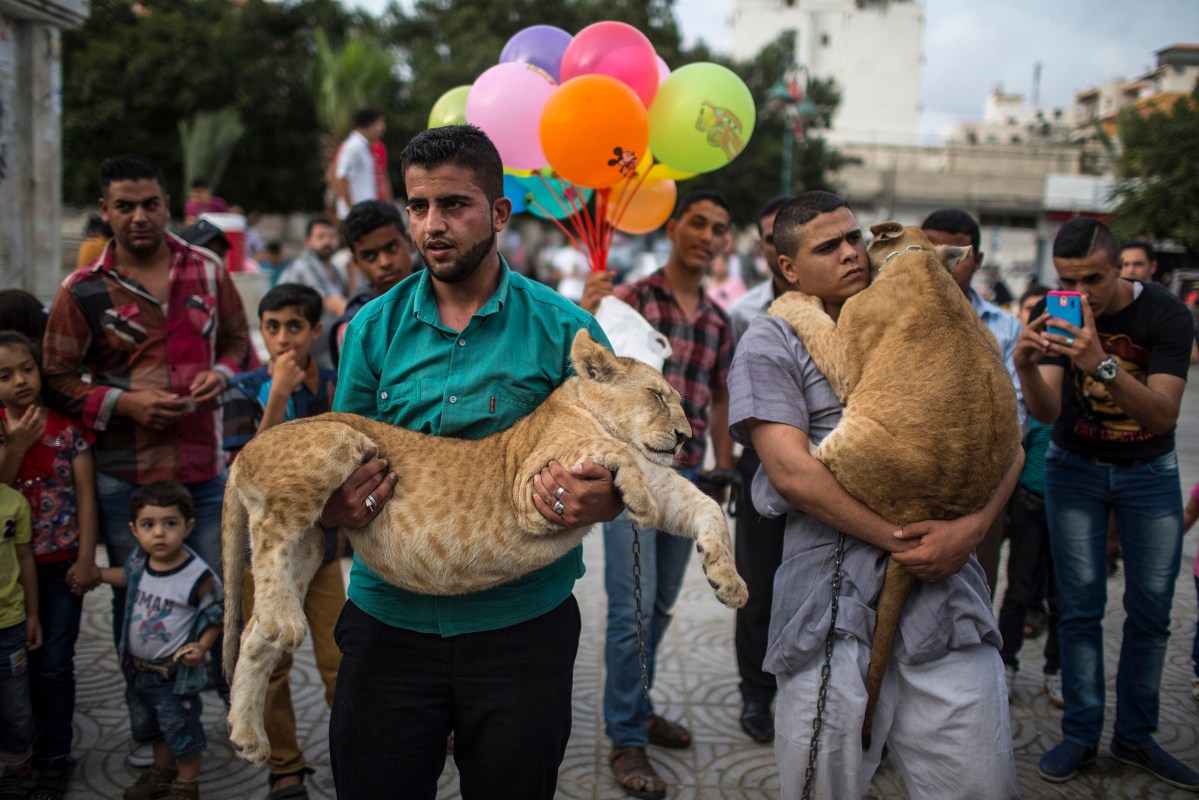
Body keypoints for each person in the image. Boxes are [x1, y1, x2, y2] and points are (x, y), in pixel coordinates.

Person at [322, 124, 621, 800]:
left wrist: (608, 496)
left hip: (521, 626)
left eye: (454, 205)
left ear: (499, 211)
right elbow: (339, 460)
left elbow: (622, 462)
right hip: (386, 623)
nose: (432, 224)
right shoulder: (372, 329)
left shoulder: (565, 329)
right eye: (418, 206)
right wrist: (333, 502)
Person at [728, 191, 1021, 800]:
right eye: (827, 246)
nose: (851, 254)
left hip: (950, 599)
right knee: (824, 786)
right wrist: (901, 541)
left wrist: (970, 531)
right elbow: (791, 473)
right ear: (788, 268)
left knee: (978, 782)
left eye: (855, 238)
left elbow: (1008, 442)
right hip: (831, 603)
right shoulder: (772, 340)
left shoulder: (925, 313)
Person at [41, 154, 248, 766]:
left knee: (213, 597)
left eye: (149, 204)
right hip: (123, 480)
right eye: (123, 206)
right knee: (138, 605)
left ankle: (206, 711)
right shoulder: (81, 290)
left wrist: (221, 372)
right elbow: (55, 376)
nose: (138, 217)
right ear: (103, 211)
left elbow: (237, 341)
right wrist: (123, 402)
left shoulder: (208, 270)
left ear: (168, 206)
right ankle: (150, 731)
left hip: (203, 474)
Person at [1015, 217, 1198, 790]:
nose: (1082, 294)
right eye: (1069, 280)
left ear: (1121, 267)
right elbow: (1046, 412)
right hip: (1075, 468)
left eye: (1094, 278)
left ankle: (1136, 736)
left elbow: (1163, 415)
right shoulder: (1057, 306)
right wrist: (1025, 366)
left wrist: (1098, 361)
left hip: (1149, 472)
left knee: (1150, 610)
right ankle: (1081, 732)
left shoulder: (1166, 314)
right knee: (1079, 606)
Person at [581, 189, 737, 799]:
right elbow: (591, 373)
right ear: (673, 229)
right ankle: (626, 737)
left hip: (691, 479)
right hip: (634, 480)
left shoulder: (719, 320)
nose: (708, 234)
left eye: (719, 227)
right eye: (697, 222)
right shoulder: (633, 300)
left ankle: (637, 707)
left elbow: (718, 396)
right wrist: (588, 311)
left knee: (663, 605)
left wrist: (725, 466)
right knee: (630, 611)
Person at [222, 283, 340, 800]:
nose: (283, 338)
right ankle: (285, 768)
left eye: (295, 326)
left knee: (341, 654)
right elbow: (245, 474)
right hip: (265, 554)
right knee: (271, 656)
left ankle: (356, 748)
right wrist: (277, 395)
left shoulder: (337, 385)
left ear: (315, 332)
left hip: (323, 548)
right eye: (272, 327)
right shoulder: (244, 389)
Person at [0, 332, 98, 800]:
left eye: (26, 369)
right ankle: (19, 757)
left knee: (55, 664)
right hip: (9, 571)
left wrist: (85, 558)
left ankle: (55, 757)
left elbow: (84, 496)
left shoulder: (65, 428)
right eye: (4, 375)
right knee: (14, 668)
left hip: (60, 567)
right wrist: (15, 447)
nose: (20, 381)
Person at [98, 482, 223, 800]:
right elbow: (125, 579)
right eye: (148, 525)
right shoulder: (141, 562)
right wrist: (96, 575)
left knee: (180, 728)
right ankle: (163, 772)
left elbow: (216, 613)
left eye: (170, 524)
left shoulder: (197, 574)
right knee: (153, 726)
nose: (159, 533)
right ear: (134, 530)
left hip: (174, 675)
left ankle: (186, 783)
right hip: (141, 671)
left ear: (188, 526)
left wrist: (203, 646)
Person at [921, 209, 1024, 597]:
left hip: (981, 486)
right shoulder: (891, 315)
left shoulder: (1004, 326)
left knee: (973, 595)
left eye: (956, 253)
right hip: (906, 479)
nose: (942, 262)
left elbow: (1014, 418)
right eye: (930, 249)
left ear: (977, 260)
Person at [725, 195, 793, 743]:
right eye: (769, 237)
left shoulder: (850, 306)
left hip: (832, 462)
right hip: (760, 464)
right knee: (756, 585)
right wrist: (727, 469)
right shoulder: (746, 311)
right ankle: (755, 694)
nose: (778, 247)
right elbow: (729, 397)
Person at [995, 285, 1062, 709]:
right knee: (1018, 589)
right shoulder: (1021, 377)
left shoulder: (1074, 379)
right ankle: (1006, 665)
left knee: (1063, 596)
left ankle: (1057, 671)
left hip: (1069, 501)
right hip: (1027, 500)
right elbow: (1016, 440)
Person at [327, 200, 417, 368]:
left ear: (409, 242)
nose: (384, 262)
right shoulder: (353, 328)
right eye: (370, 256)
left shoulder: (448, 297)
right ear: (356, 262)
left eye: (391, 248)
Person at [0, 479, 37, 797]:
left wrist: (33, 613)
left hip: (9, 624)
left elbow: (24, 558)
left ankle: (17, 765)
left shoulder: (14, 502)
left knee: (15, 705)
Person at [277, 217, 347, 369]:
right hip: (298, 352)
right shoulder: (305, 265)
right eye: (321, 236)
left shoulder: (334, 269)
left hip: (321, 351)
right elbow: (335, 304)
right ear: (307, 241)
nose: (327, 241)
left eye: (332, 236)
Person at [333, 107, 387, 220]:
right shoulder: (353, 146)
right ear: (369, 124)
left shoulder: (364, 147)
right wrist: (352, 210)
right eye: (379, 123)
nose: (382, 128)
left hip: (364, 213)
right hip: (357, 216)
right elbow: (341, 177)